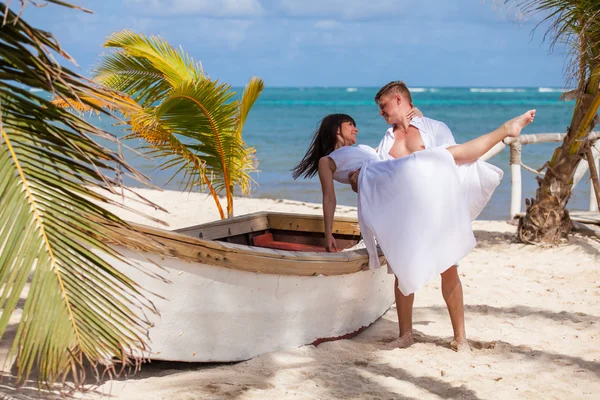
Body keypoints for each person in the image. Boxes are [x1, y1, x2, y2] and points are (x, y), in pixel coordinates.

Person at [292, 107, 535, 351]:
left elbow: (389, 155)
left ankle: (460, 338)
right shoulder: (327, 161)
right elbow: (329, 198)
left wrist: (415, 116)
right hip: (388, 194)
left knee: (446, 157)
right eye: (350, 125)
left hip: (393, 180)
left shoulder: (365, 149)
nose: (356, 128)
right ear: (337, 130)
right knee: (402, 265)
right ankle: (405, 334)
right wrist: (328, 233)